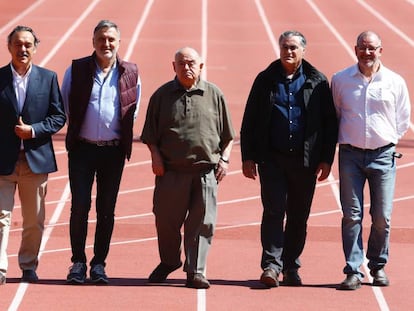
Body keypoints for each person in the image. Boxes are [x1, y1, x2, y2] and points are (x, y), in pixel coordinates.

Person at [240, 30, 338, 288]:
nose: (289, 51)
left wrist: (326, 159)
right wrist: (248, 156)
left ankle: (291, 265)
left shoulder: (317, 81)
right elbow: (249, 119)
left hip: (305, 162)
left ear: (304, 50)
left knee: (298, 215)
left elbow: (329, 124)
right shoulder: (265, 80)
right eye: (285, 47)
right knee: (273, 211)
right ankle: (271, 265)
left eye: (294, 47)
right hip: (271, 158)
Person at [141, 46, 235, 289]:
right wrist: (156, 157)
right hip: (171, 172)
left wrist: (224, 160)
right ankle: (170, 260)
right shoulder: (161, 96)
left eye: (192, 63)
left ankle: (196, 271)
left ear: (201, 66)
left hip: (205, 172)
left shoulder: (214, 94)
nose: (187, 67)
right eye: (181, 63)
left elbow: (228, 136)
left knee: (202, 224)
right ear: (173, 67)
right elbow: (150, 135)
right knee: (166, 221)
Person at [61, 20, 141, 284]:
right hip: (82, 150)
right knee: (80, 207)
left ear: (119, 42)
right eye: (101, 39)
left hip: (112, 153)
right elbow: (66, 104)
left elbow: (133, 109)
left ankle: (98, 264)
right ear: (93, 41)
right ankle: (77, 263)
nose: (106, 44)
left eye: (111, 40)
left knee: (106, 209)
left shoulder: (131, 72)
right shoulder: (76, 70)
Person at [332, 31, 411, 290]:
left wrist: (386, 139)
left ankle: (377, 266)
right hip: (350, 156)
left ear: (380, 50)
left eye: (372, 48)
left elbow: (402, 117)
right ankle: (353, 270)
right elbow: (335, 113)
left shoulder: (395, 81)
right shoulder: (341, 80)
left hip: (383, 155)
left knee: (382, 217)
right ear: (355, 50)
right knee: (351, 216)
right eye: (363, 48)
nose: (367, 53)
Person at [0, 25, 66, 285]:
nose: (23, 49)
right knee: (1, 218)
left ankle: (28, 265)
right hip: (2, 162)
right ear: (9, 47)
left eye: (28, 44)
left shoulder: (48, 78)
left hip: (34, 161)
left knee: (33, 221)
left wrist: (34, 131)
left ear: (35, 48)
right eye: (18, 44)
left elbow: (59, 116)